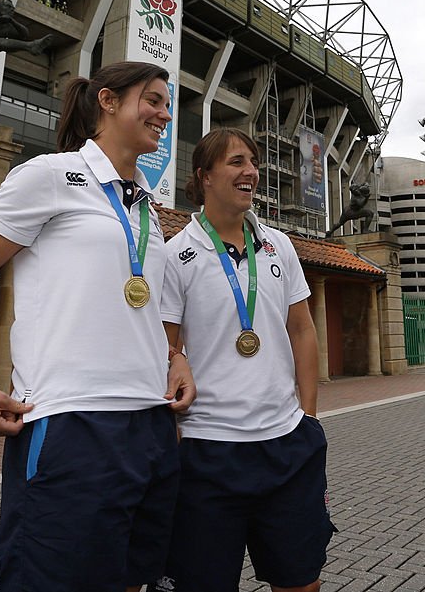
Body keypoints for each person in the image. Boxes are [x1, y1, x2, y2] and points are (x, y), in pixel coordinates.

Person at [0, 61, 194, 592]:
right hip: (71, 422)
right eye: (152, 99)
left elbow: (137, 307)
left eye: (167, 104)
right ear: (106, 101)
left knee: (132, 579)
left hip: (150, 425)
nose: (164, 114)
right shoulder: (49, 175)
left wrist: (174, 356)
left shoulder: (146, 205)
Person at [150, 128, 335, 592]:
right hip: (207, 449)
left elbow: (302, 329)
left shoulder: (279, 245)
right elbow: (164, 349)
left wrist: (309, 416)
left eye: (252, 162)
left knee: (301, 583)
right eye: (236, 162)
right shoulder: (177, 255)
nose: (250, 171)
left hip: (287, 446)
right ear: (204, 176)